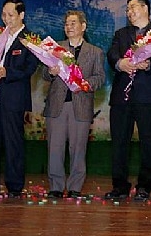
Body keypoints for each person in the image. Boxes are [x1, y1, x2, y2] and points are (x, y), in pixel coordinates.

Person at [105, 0, 151, 201]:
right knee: (119, 142)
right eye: (127, 9)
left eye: (133, 7)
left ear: (145, 9)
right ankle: (119, 186)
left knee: (148, 143)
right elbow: (112, 54)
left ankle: (144, 186)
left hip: (148, 96)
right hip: (122, 97)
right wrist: (120, 63)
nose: (129, 12)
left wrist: (149, 64)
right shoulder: (121, 34)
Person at [0, 0, 39, 198]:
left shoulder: (30, 39)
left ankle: (14, 185)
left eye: (11, 15)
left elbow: (30, 68)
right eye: (4, 14)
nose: (7, 18)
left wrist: (8, 72)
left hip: (13, 97)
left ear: (22, 15)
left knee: (13, 142)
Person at [42, 10, 105, 198]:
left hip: (81, 105)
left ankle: (75, 187)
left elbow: (100, 78)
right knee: (55, 148)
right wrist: (51, 72)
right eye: (66, 24)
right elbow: (44, 74)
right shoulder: (56, 49)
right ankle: (55, 186)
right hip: (57, 105)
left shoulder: (95, 52)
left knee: (78, 149)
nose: (68, 27)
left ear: (83, 26)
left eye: (73, 23)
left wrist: (85, 83)